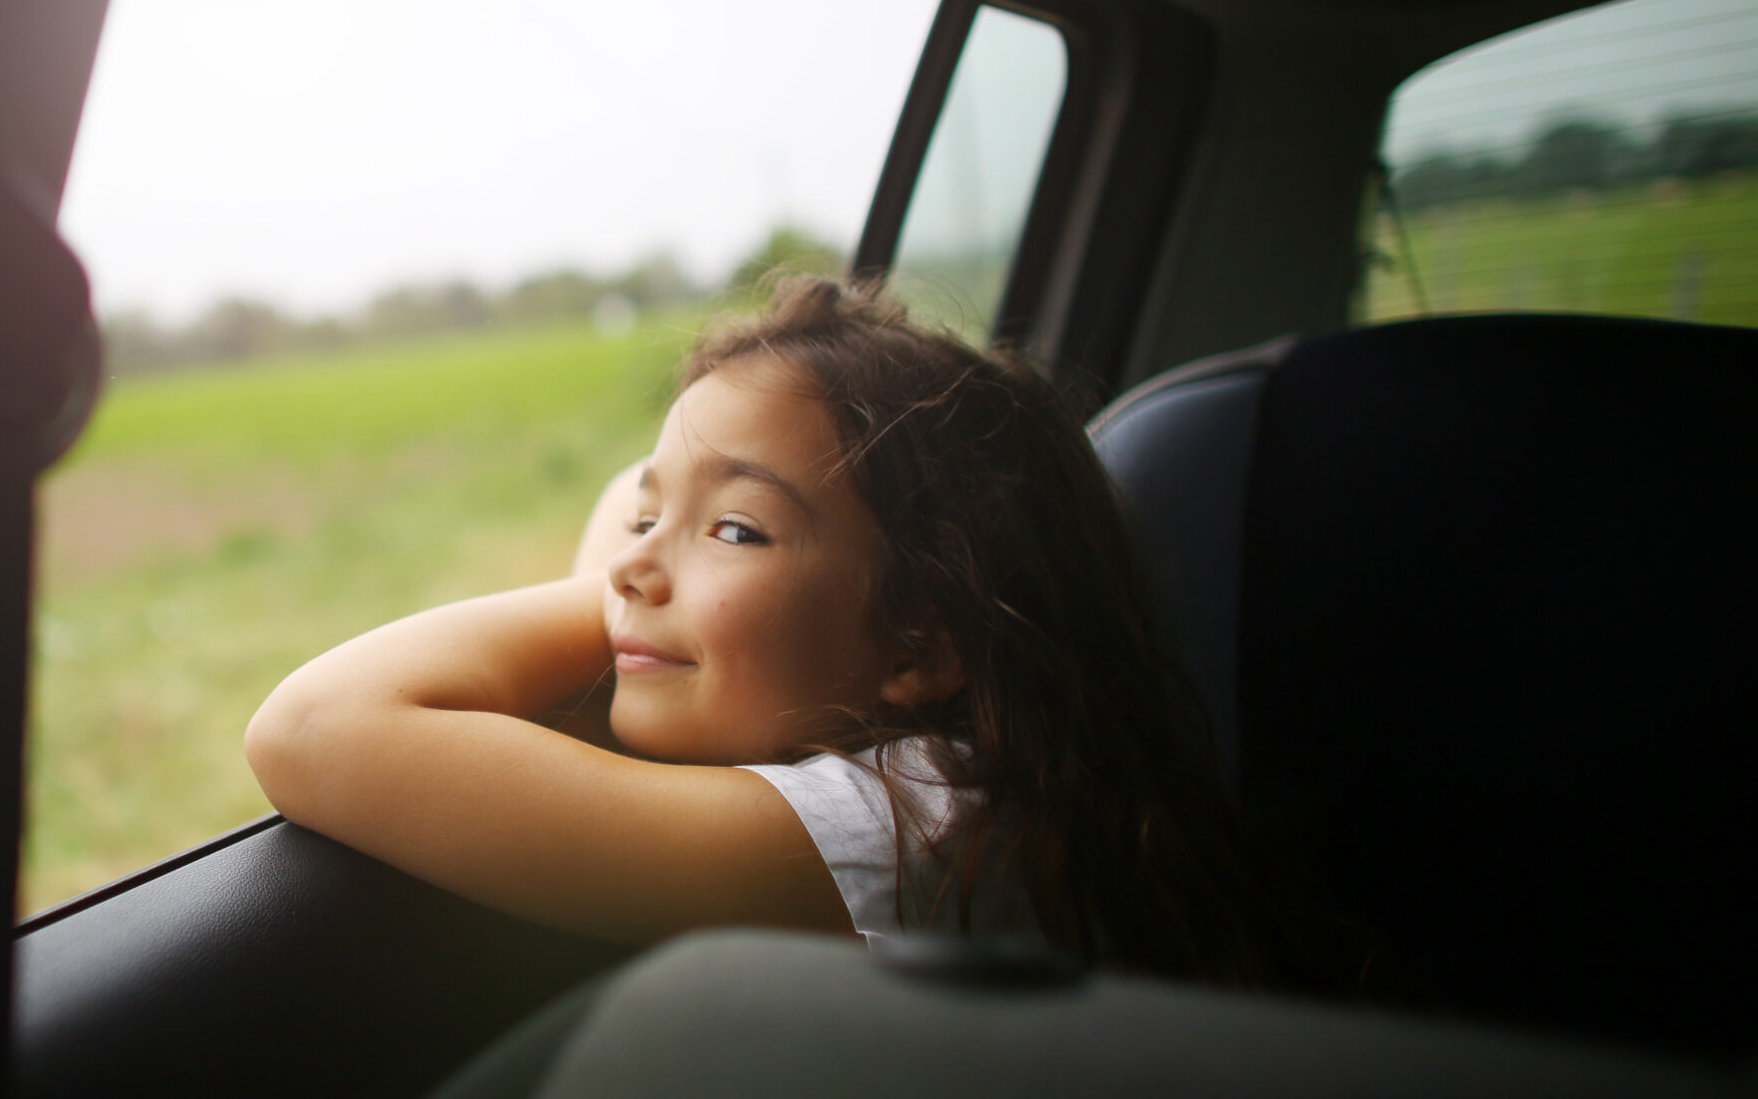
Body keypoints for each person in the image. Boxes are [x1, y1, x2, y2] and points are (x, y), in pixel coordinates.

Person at [244, 275, 1287, 983]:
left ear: (917, 645)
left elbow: (316, 727)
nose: (632, 561)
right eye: (652, 522)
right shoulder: (961, 768)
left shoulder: (910, 828)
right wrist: (676, 539)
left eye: (737, 530)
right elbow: (625, 493)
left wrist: (617, 588)